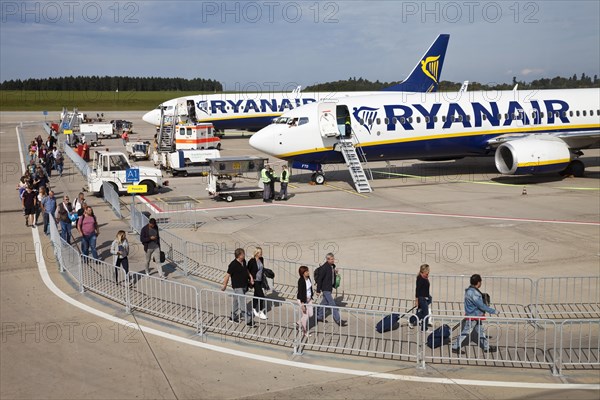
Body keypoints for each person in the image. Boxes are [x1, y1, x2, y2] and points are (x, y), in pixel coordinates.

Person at [451, 274, 499, 354]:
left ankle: (486, 347)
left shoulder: (469, 291)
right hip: (474, 316)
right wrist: (493, 311)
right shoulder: (474, 293)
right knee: (466, 332)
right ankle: (455, 347)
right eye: (480, 282)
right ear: (478, 282)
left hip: (475, 315)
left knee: (481, 332)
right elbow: (481, 305)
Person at [221, 248, 255, 326]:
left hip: (244, 285)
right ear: (239, 255)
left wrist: (251, 277)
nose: (244, 254)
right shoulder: (233, 264)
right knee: (243, 303)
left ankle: (232, 317)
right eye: (243, 253)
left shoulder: (244, 261)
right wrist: (224, 285)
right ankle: (248, 321)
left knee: (236, 301)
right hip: (238, 287)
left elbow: (246, 270)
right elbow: (227, 276)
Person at [315, 253, 347, 326]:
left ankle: (319, 316)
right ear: (328, 259)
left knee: (324, 303)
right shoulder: (324, 267)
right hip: (326, 289)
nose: (333, 260)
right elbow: (320, 279)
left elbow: (331, 276)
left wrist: (335, 273)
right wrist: (318, 290)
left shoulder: (332, 266)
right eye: (332, 259)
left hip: (329, 288)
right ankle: (338, 320)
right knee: (333, 304)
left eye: (333, 259)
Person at [247, 247, 267, 320]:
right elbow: (247, 270)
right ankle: (261, 311)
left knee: (256, 294)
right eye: (259, 253)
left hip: (260, 280)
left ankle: (253, 308)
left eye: (261, 252)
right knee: (261, 296)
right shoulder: (251, 261)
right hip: (255, 281)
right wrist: (251, 278)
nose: (261, 254)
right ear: (256, 253)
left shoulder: (261, 259)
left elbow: (262, 268)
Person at [413, 264, 432, 331]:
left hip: (426, 296)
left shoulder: (424, 276)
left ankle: (412, 320)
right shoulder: (420, 279)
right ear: (424, 271)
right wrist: (417, 300)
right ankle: (424, 329)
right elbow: (417, 290)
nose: (429, 272)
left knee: (422, 311)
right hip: (422, 298)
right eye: (427, 271)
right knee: (425, 313)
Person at [296, 265, 314, 337]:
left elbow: (310, 288)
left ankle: (298, 323)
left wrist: (311, 295)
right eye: (306, 271)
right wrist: (302, 304)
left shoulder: (308, 278)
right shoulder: (301, 281)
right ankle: (304, 331)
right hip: (302, 300)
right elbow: (300, 292)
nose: (308, 272)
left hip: (309, 299)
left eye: (308, 271)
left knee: (311, 314)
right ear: (303, 273)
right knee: (305, 316)